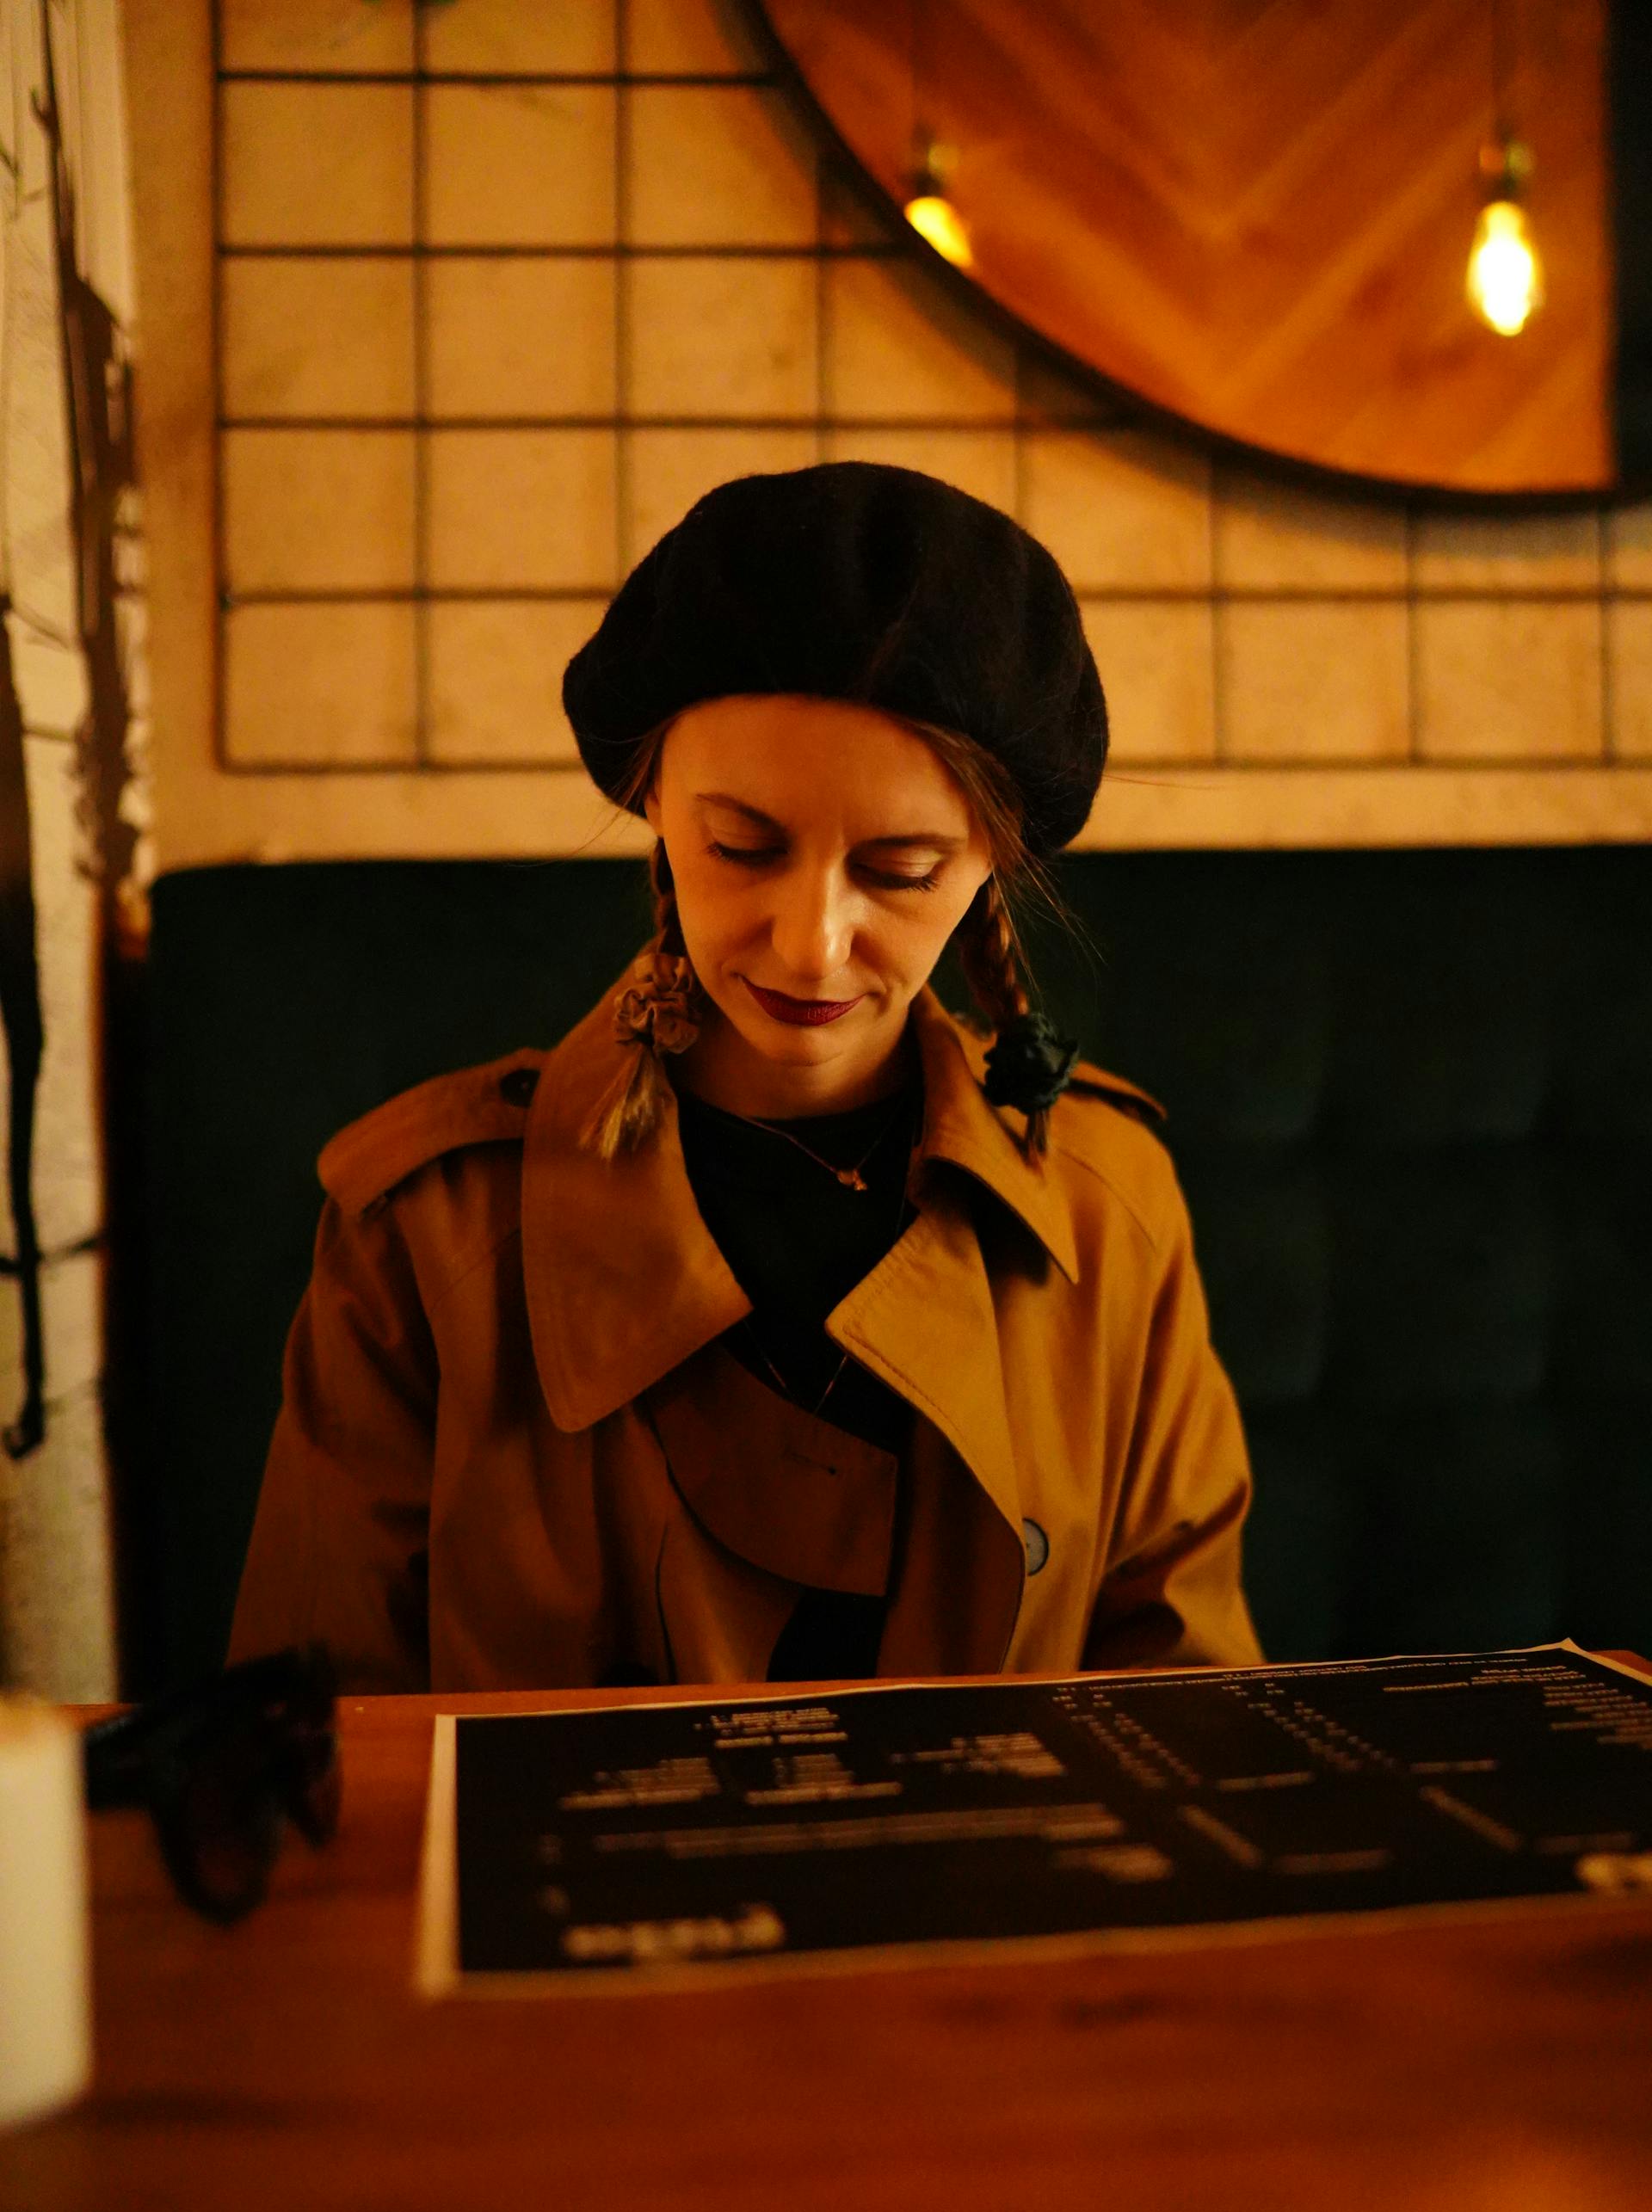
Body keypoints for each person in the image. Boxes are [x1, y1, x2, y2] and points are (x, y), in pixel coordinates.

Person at [230, 463, 1261, 1691]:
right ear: (653, 800)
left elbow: (1189, 1712)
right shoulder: (425, 1235)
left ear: (996, 857)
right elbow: (316, 1757)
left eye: (900, 870)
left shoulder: (1111, 1209)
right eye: (743, 848)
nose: (810, 942)